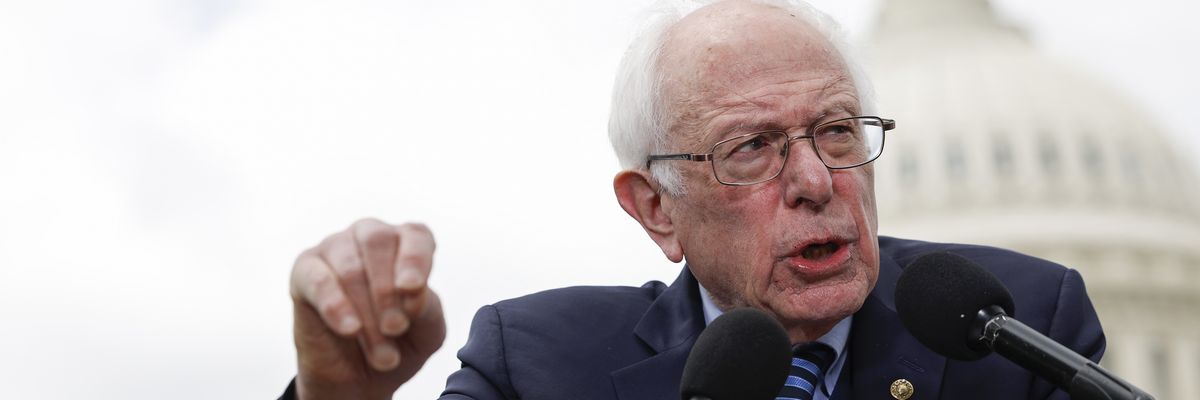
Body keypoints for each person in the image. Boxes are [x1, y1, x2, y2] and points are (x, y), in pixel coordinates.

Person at [281, 0, 1105, 399]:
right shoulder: (534, 366)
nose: (818, 182)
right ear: (655, 209)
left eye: (838, 131)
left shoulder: (1020, 331)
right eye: (752, 148)